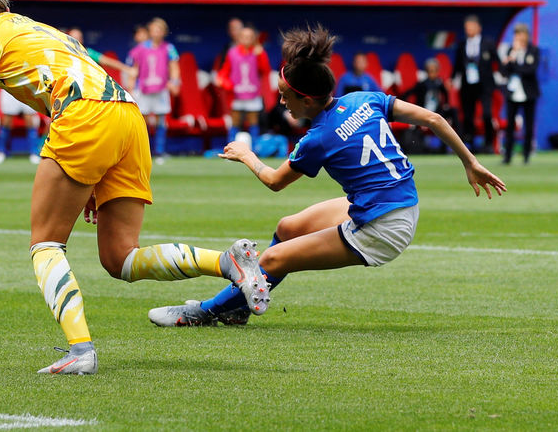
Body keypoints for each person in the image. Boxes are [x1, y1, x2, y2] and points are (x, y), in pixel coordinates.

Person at [0, 0, 268, 374]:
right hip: (126, 114)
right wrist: (90, 174)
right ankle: (227, 262)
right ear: (5, 5)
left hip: (83, 117)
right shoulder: (39, 29)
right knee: (120, 257)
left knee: (46, 245)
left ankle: (80, 351)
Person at [148, 25, 505, 327]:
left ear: (306, 100)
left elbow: (274, 181)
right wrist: (470, 163)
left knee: (269, 261)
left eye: (285, 95)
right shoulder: (363, 98)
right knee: (287, 228)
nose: (281, 102)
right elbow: (435, 119)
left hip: (382, 228)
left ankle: (201, 313)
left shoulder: (317, 139)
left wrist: (247, 155)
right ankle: (238, 307)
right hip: (394, 204)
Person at [126, 17, 181, 163]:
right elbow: (133, 68)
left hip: (161, 89)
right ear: (149, 31)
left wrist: (174, 82)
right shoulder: (140, 48)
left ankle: (159, 151)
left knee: (161, 120)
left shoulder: (169, 48)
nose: (156, 32)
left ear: (164, 32)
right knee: (142, 120)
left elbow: (174, 66)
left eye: (159, 30)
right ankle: (143, 151)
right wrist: (130, 87)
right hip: (143, 89)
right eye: (154, 29)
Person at [216, 25, 271, 147]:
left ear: (254, 39)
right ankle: (230, 147)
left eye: (249, 37)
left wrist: (260, 55)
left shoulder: (258, 52)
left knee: (253, 120)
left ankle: (255, 148)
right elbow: (225, 71)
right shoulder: (232, 52)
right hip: (237, 93)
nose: (246, 39)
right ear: (239, 38)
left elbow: (265, 71)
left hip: (252, 92)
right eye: (244, 36)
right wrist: (225, 82)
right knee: (235, 121)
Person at [452, 14, 497, 152]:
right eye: (467, 27)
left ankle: (489, 142)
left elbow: (496, 62)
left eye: (471, 26)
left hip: (484, 85)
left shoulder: (488, 43)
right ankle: (469, 144)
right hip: (467, 85)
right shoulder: (462, 44)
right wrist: (452, 78)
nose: (469, 30)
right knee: (468, 115)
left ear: (478, 27)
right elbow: (458, 65)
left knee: (487, 114)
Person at [398, 58, 458, 152]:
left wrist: (446, 105)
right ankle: (417, 148)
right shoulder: (422, 84)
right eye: (430, 71)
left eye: (434, 71)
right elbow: (407, 94)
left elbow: (445, 96)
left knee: (453, 112)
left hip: (438, 112)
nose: (432, 74)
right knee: (415, 125)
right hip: (422, 112)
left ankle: (454, 144)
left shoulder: (440, 84)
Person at [500, 23, 539, 165]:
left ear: (526, 35)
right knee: (510, 125)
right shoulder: (511, 50)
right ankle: (507, 156)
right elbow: (504, 71)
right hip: (513, 93)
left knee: (529, 125)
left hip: (529, 93)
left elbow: (530, 70)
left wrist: (515, 65)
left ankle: (526, 155)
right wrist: (512, 56)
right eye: (516, 34)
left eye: (520, 34)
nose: (518, 37)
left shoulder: (533, 50)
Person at [67, 27, 135, 81]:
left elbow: (108, 61)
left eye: (79, 38)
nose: (76, 41)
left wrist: (128, 69)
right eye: (73, 38)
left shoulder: (87, 53)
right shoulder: (61, 52)